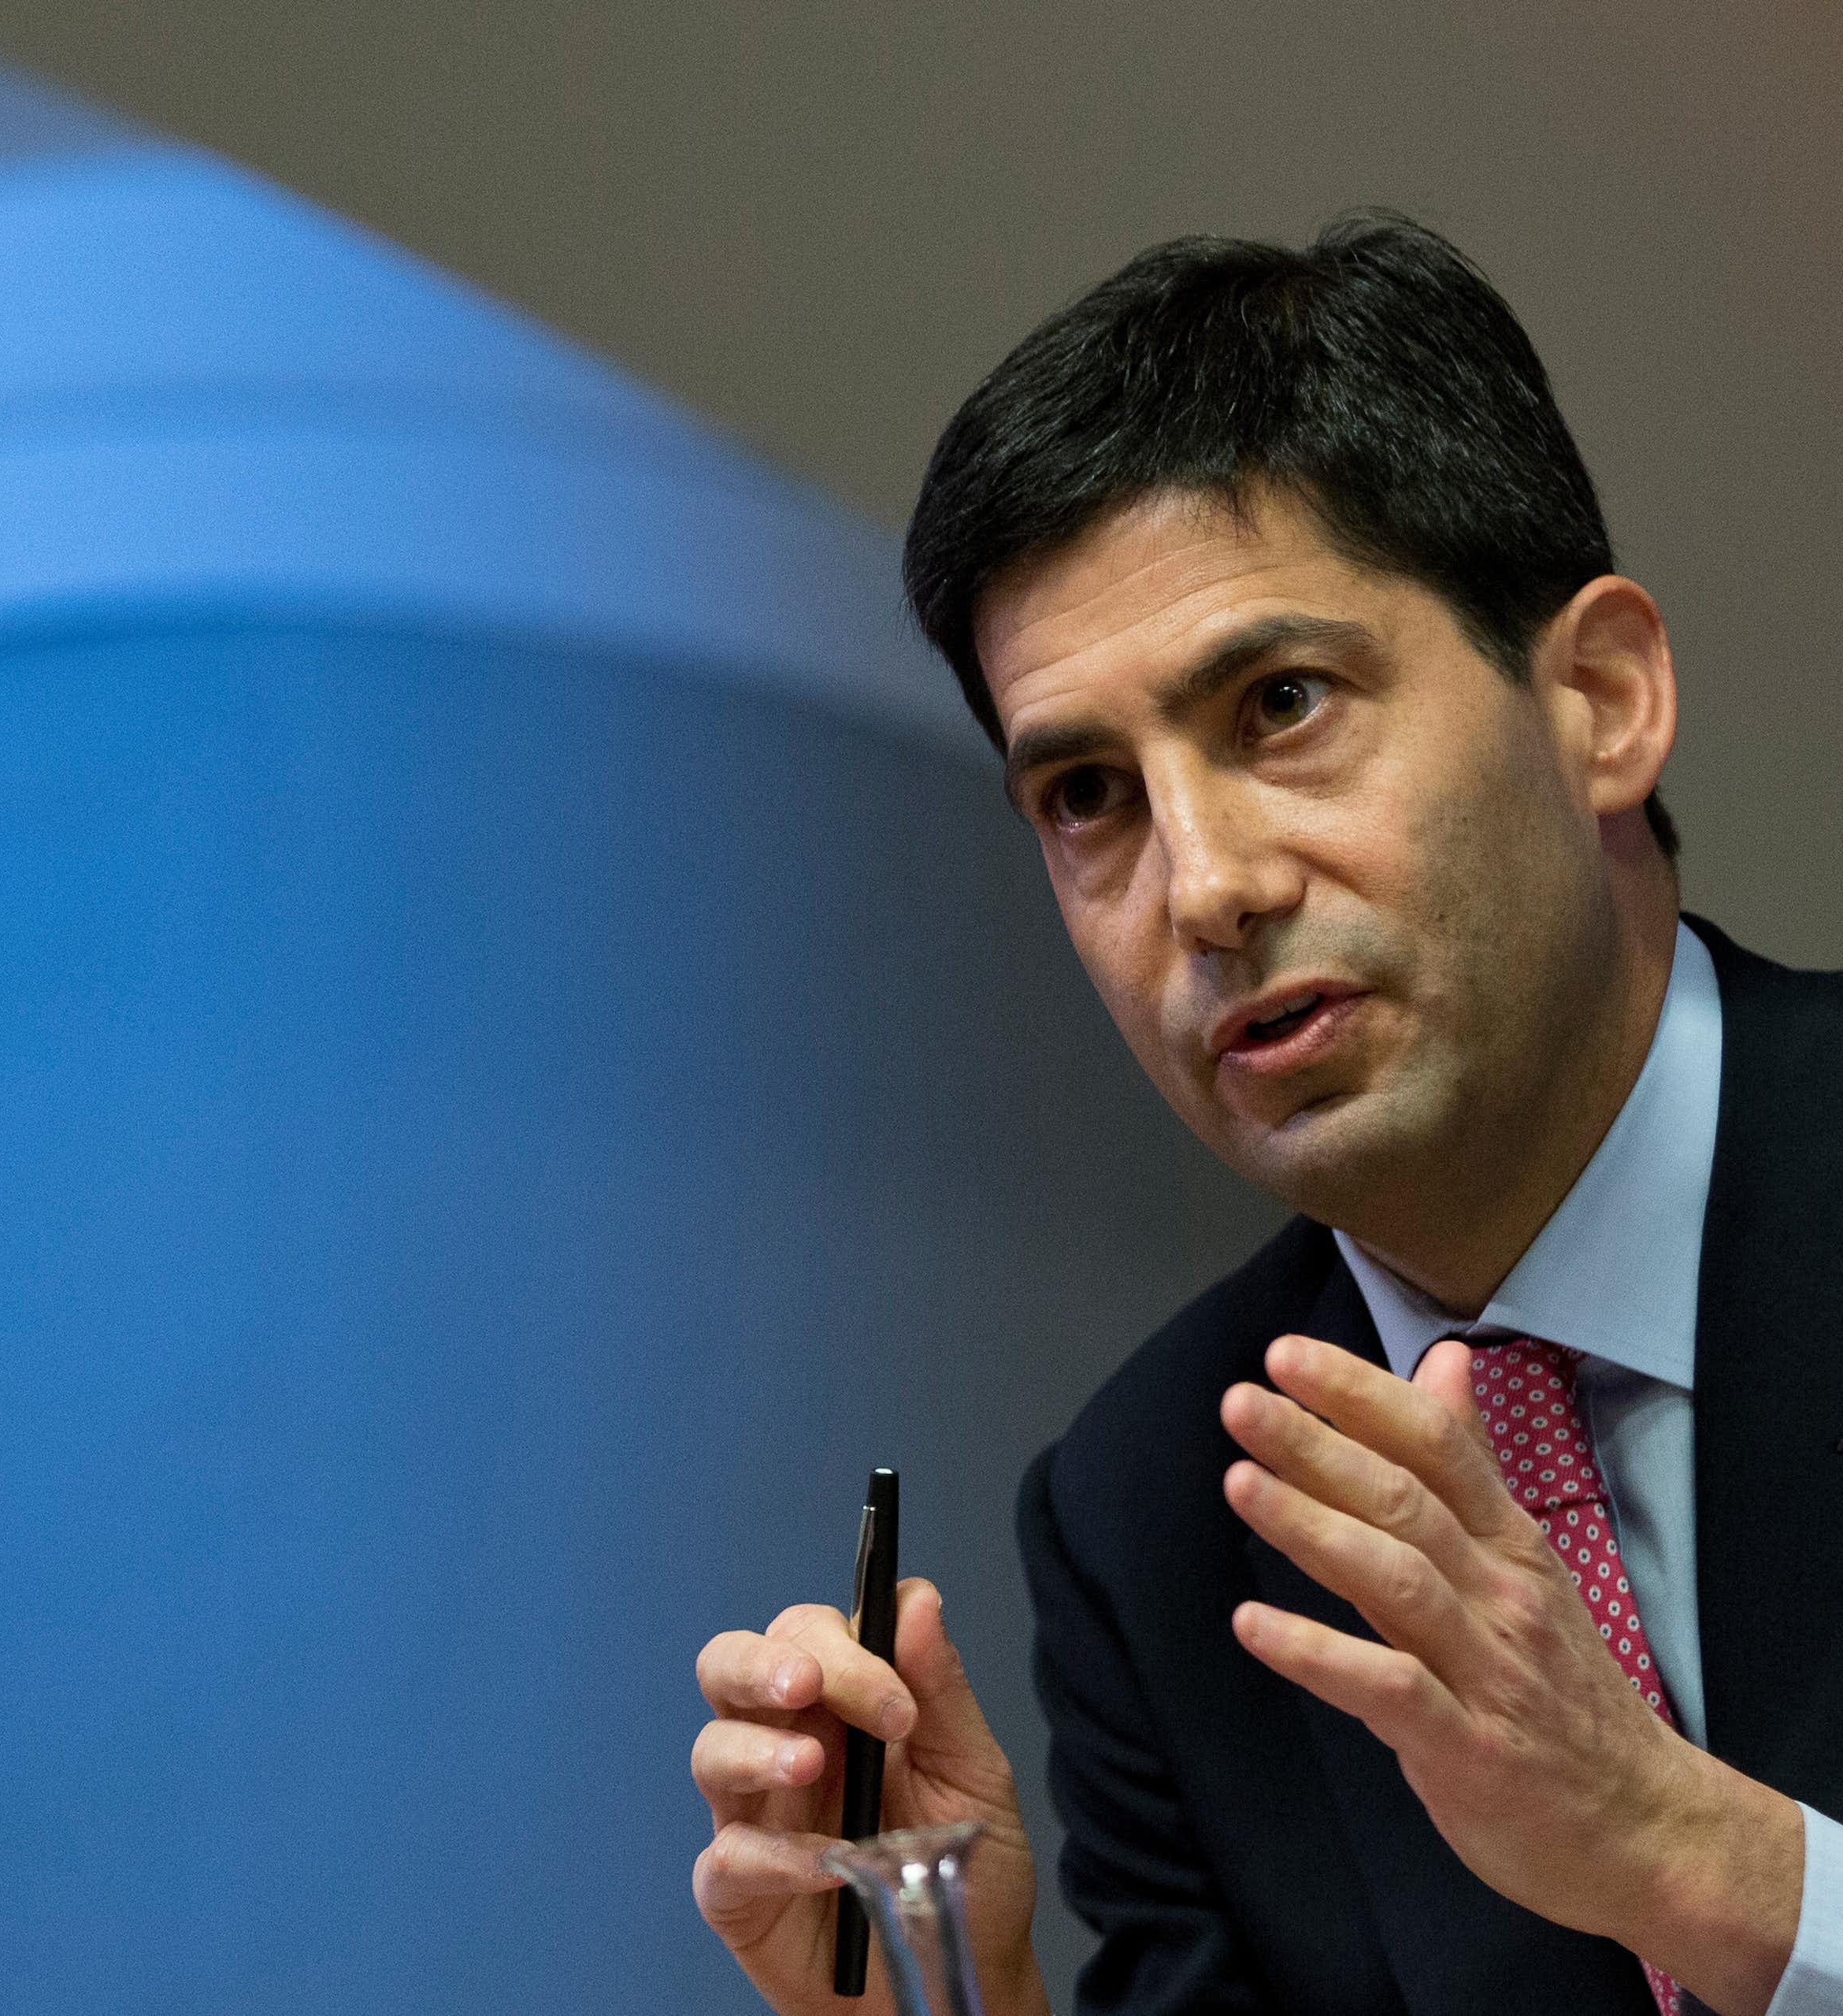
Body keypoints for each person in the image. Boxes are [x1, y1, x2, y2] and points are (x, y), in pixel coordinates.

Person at [689, 216, 1843, 2016]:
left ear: (1599, 702)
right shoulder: (1154, 1509)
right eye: (1086, 794)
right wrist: (947, 1982)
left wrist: (1689, 1853)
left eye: (1280, 704)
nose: (1203, 887)